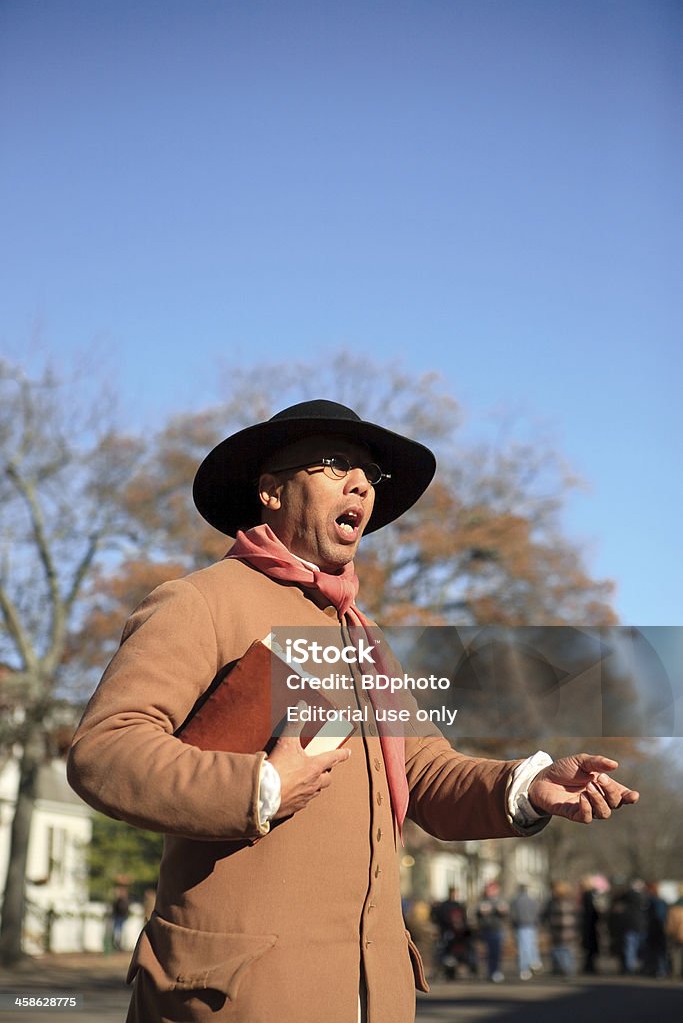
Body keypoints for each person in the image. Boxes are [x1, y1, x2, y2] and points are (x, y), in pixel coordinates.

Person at [67, 400, 639, 1023]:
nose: (361, 484)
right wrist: (257, 788)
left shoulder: (367, 640)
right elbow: (106, 748)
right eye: (335, 463)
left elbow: (425, 771)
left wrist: (528, 786)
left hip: (373, 997)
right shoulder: (200, 601)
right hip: (237, 999)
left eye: (368, 473)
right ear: (271, 492)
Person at [542, 880, 579, 976]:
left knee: (561, 951)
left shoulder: (555, 902)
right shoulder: (570, 901)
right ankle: (566, 969)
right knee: (566, 951)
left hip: (559, 930)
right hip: (568, 931)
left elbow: (548, 915)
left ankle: (566, 970)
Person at [509, 883, 541, 980]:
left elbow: (513, 915)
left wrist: (513, 925)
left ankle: (524, 969)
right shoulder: (532, 900)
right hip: (531, 925)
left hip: (521, 926)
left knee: (523, 948)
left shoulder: (515, 901)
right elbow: (537, 913)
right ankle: (535, 962)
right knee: (531, 946)